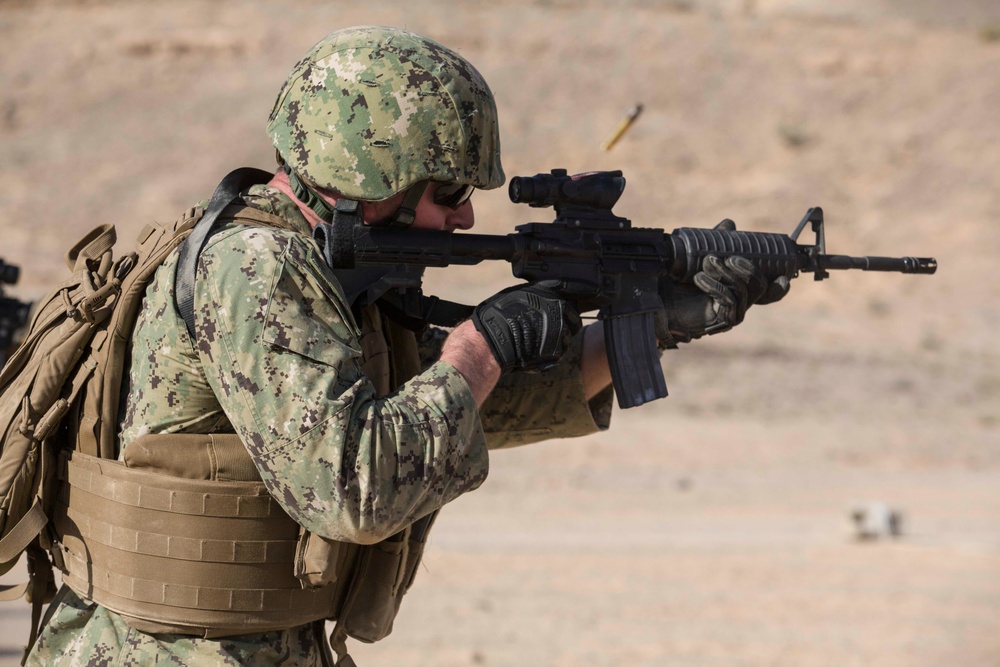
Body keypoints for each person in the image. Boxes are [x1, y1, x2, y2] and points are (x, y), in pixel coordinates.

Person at [26, 25, 786, 666]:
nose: (461, 219)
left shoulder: (331, 276)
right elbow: (353, 487)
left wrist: (652, 324)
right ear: (372, 173)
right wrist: (483, 342)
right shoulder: (257, 270)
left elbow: (449, 411)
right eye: (448, 192)